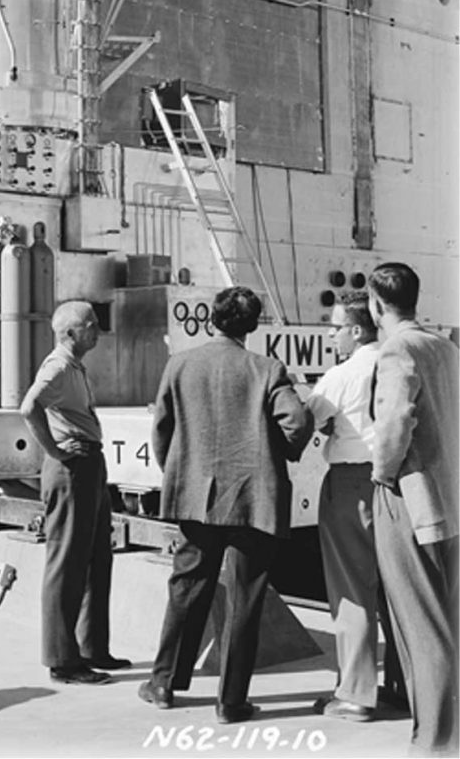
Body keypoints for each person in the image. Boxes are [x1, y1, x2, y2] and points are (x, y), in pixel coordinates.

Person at [138, 286, 312, 720]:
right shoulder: (267, 369)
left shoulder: (180, 365)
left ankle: (163, 684)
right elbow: (298, 421)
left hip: (197, 497)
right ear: (251, 327)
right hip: (254, 500)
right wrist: (282, 453)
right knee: (245, 599)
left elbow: (162, 430)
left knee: (187, 589)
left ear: (212, 319)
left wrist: (181, 471)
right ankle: (230, 701)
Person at [367, 262, 459, 756]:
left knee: (421, 626)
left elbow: (395, 421)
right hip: (451, 499)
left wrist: (383, 472)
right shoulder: (445, 347)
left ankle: (435, 742)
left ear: (376, 305)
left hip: (410, 497)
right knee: (448, 619)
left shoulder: (396, 349)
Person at [20, 300, 130, 685]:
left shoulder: (75, 366)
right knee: (67, 564)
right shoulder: (59, 366)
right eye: (91, 326)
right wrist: (53, 451)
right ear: (71, 332)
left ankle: (92, 648)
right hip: (72, 467)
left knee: (98, 558)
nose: (97, 331)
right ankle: (63, 661)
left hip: (88, 463)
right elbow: (29, 406)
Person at [305, 292, 404, 722]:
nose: (331, 335)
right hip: (400, 484)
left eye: (335, 327)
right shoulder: (399, 362)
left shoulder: (340, 376)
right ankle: (406, 685)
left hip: (350, 485)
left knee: (352, 589)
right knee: (399, 588)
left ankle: (356, 694)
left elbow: (307, 420)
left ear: (357, 330)